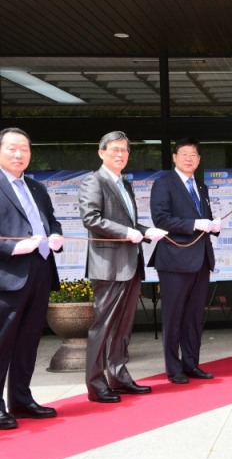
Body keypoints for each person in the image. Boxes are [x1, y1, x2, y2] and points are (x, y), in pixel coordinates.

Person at [79, 131, 167, 403]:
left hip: (130, 263)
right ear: (101, 152)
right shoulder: (94, 181)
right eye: (115, 149)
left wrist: (146, 231)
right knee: (103, 326)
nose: (120, 154)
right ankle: (96, 385)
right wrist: (128, 233)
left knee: (123, 326)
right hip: (108, 265)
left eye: (125, 150)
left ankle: (118, 375)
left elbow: (128, 223)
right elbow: (91, 218)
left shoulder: (125, 184)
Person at [0, 128, 64, 430]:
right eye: (12, 148)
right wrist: (13, 247)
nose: (19, 154)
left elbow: (51, 220)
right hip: (7, 275)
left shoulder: (36, 187)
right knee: (2, 342)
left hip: (40, 269)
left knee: (28, 340)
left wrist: (56, 235)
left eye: (24, 149)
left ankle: (21, 399)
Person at [149, 138, 220, 384]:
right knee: (174, 316)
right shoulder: (164, 184)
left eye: (193, 155)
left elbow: (205, 218)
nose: (189, 158)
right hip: (175, 259)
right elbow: (160, 219)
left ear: (199, 160)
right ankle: (173, 368)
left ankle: (191, 364)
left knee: (194, 316)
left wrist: (214, 226)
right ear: (174, 157)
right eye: (184, 154)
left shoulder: (201, 187)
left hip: (201, 259)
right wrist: (194, 224)